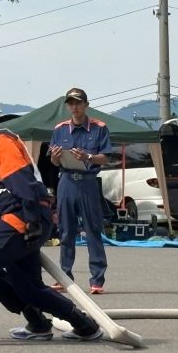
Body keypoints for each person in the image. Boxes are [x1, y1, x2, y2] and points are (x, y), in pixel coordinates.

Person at [0, 90, 102, 345]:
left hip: (20, 215)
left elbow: (21, 182)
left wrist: (30, 220)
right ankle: (83, 325)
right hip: (22, 216)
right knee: (28, 287)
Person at [49, 87, 112, 294]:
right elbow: (52, 159)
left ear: (86, 104)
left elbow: (105, 157)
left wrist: (88, 157)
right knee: (66, 231)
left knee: (93, 230)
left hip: (87, 181)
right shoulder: (60, 129)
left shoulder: (98, 128)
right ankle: (64, 276)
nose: (74, 107)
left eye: (78, 103)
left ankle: (97, 280)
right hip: (66, 181)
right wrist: (56, 156)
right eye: (71, 103)